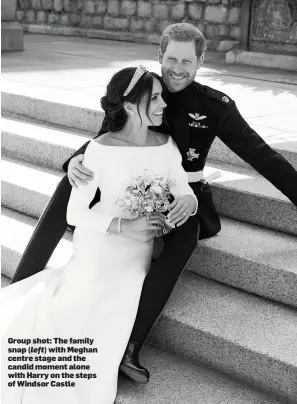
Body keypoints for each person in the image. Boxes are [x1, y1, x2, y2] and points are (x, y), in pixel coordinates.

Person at [10, 23, 297, 384]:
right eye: (171, 58)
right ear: (160, 56)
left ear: (200, 61)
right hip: (128, 189)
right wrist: (75, 162)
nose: (178, 68)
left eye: (187, 61)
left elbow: (263, 156)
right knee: (66, 186)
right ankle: (21, 284)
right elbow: (109, 138)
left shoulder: (215, 106)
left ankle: (130, 346)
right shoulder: (141, 88)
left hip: (180, 193)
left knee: (186, 234)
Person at [0, 66, 198, 404]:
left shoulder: (166, 144)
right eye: (155, 98)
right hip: (99, 245)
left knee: (119, 304)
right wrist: (126, 226)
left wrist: (188, 203)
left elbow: (183, 188)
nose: (164, 104)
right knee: (79, 315)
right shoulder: (100, 149)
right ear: (132, 105)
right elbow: (75, 213)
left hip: (137, 253)